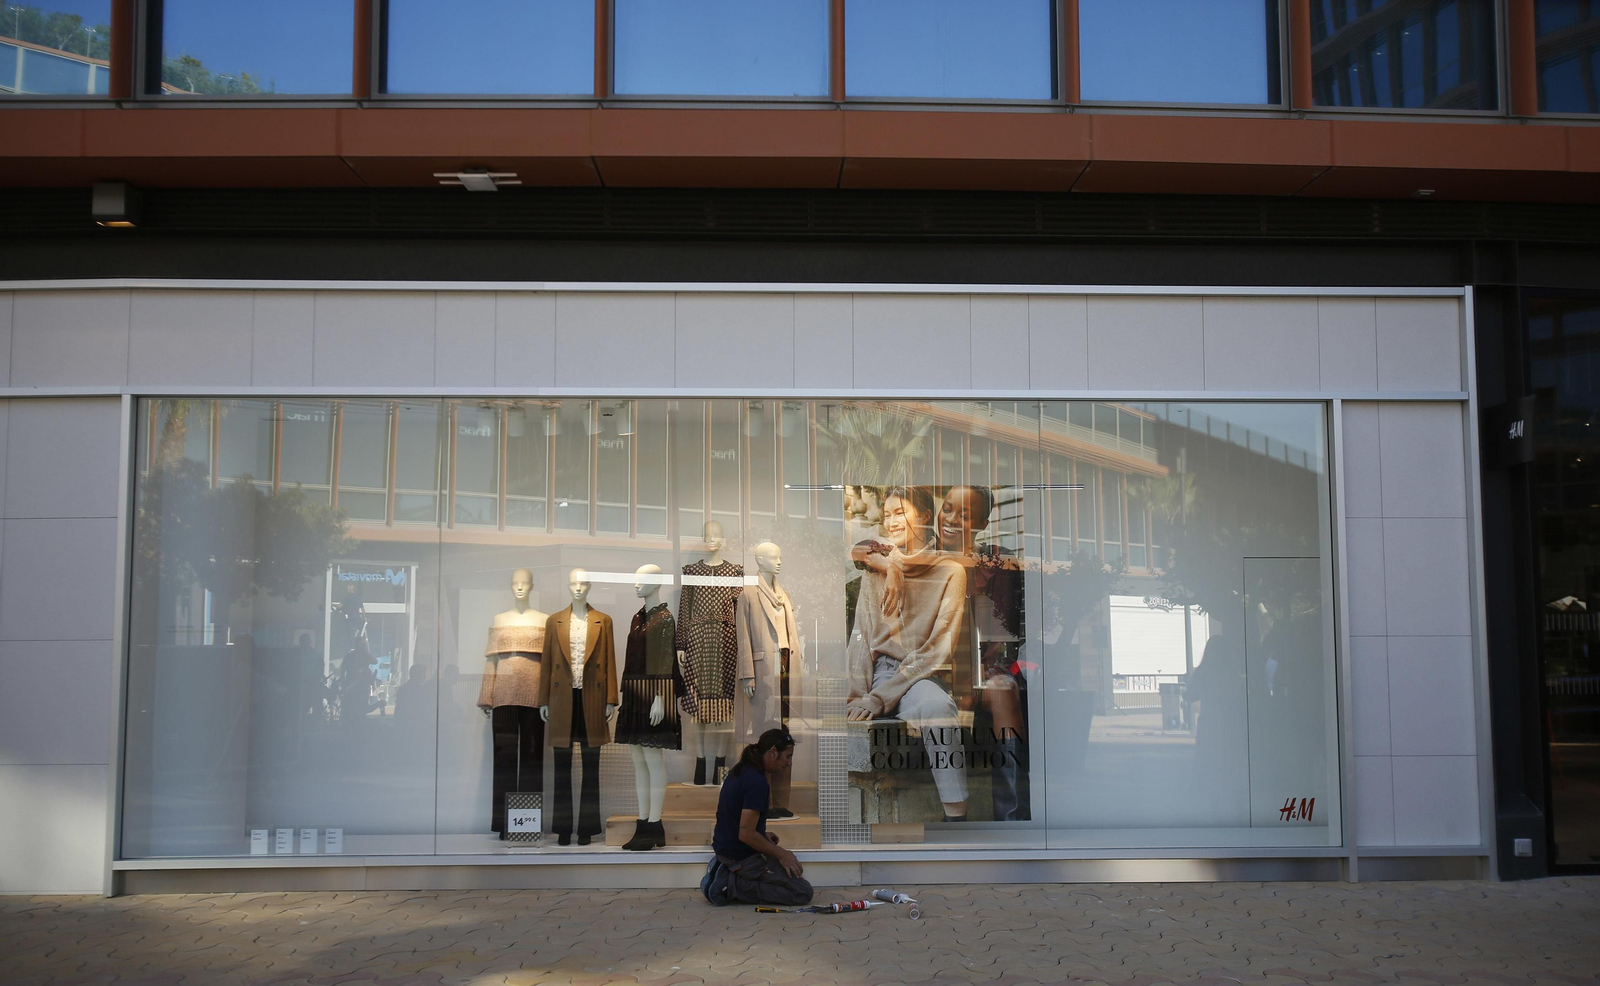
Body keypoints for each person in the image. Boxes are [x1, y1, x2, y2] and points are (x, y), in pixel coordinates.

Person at [845, 485, 970, 822]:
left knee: (938, 708)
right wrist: (858, 694)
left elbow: (936, 650)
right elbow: (862, 636)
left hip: (920, 673)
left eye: (900, 512)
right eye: (887, 515)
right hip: (880, 672)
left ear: (925, 516)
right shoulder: (877, 567)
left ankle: (957, 818)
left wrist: (878, 698)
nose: (891, 521)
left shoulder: (951, 572)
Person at [701, 728, 813, 907]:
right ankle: (730, 885)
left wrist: (762, 833)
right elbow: (745, 834)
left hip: (726, 849)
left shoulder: (742, 769)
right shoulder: (757, 782)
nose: (789, 763)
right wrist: (782, 854)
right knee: (801, 892)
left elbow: (737, 820)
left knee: (788, 878)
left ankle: (727, 872)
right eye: (788, 756)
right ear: (773, 753)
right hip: (740, 856)